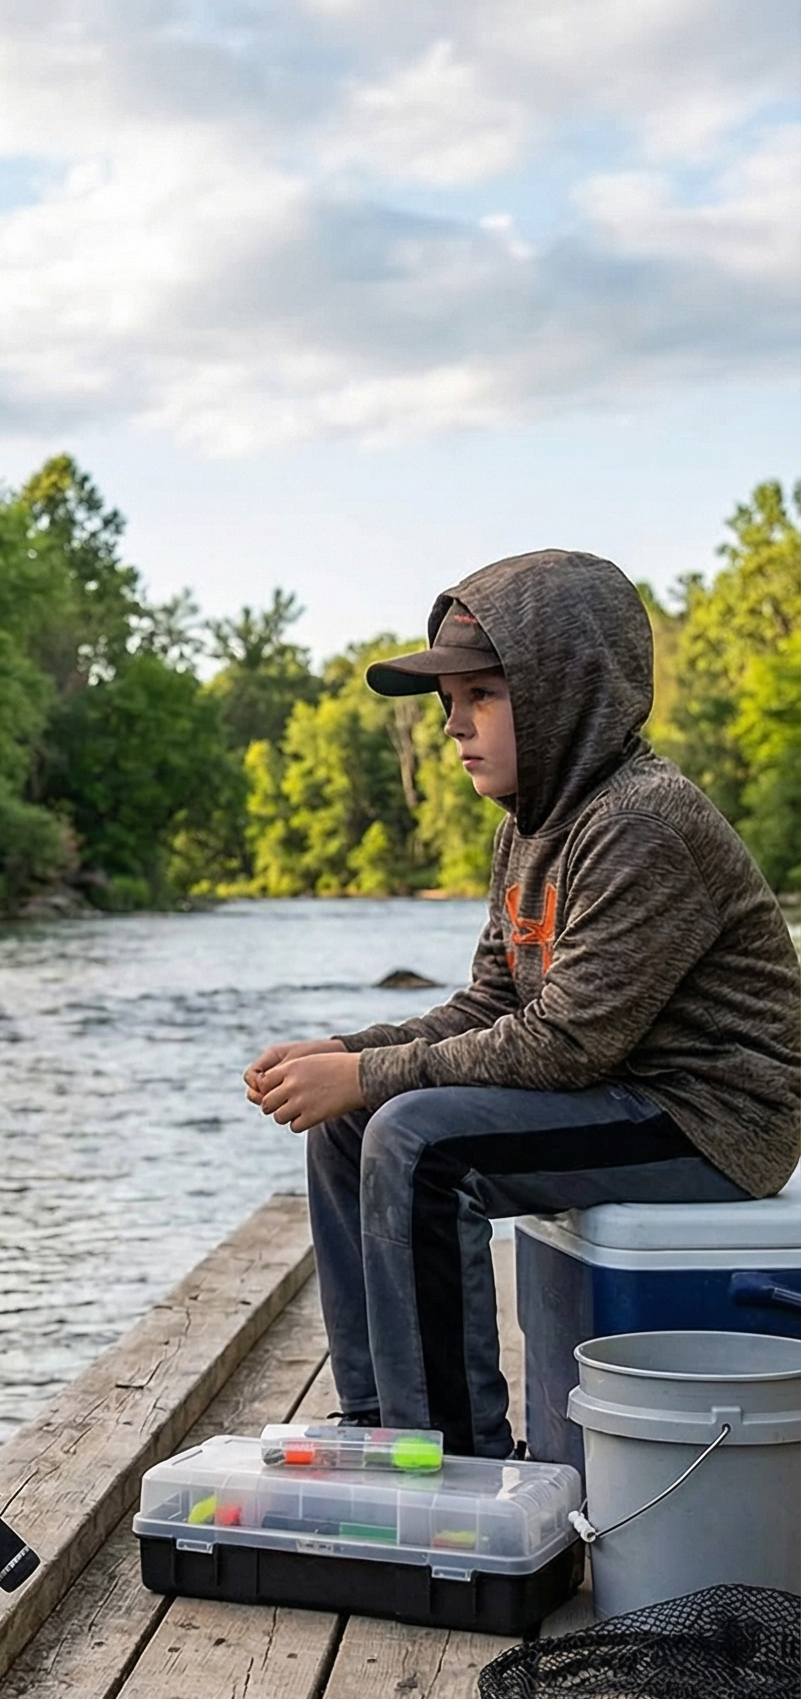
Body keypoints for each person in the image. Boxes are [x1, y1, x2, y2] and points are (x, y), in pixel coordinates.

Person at [244, 549, 801, 1458]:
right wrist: (346, 1055)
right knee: (351, 1123)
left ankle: (451, 1457)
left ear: (565, 692)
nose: (455, 727)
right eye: (449, 704)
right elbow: (488, 1006)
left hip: (713, 1118)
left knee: (419, 1143)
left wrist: (368, 1074)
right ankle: (383, 1425)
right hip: (624, 1091)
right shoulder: (531, 826)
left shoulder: (639, 823)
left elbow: (565, 1044)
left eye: (484, 697)